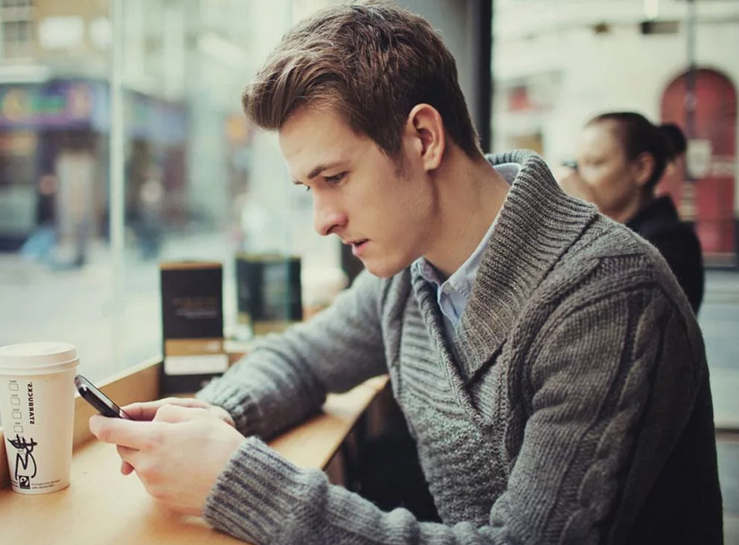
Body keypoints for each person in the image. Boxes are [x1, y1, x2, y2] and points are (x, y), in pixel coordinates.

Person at [89, 2, 722, 544]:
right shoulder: (409, 272)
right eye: (308, 187)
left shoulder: (611, 298)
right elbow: (301, 359)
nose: (322, 221)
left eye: (334, 178)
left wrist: (241, 482)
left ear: (424, 138)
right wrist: (210, 420)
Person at [558, 112, 704, 313]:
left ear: (642, 168)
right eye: (577, 165)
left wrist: (585, 213)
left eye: (594, 163)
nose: (578, 178)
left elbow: (608, 307)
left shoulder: (671, 240)